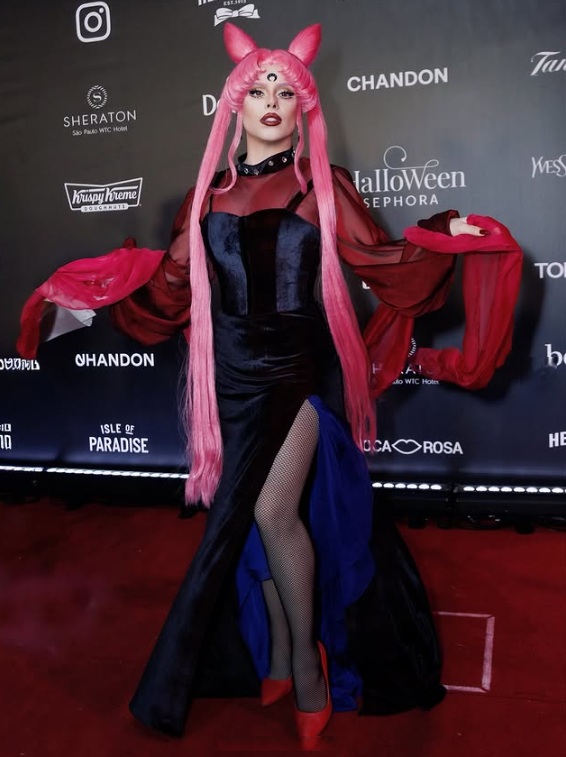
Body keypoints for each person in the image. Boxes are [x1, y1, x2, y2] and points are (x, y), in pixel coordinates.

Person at [17, 23, 522, 748]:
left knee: (273, 509)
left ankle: (309, 670)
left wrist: (447, 231)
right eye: (259, 89)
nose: (274, 100)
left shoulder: (322, 187)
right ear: (236, 105)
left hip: (297, 372)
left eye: (286, 89)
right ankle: (282, 651)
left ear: (303, 104)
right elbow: (170, 285)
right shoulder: (206, 197)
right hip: (230, 378)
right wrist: (94, 291)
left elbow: (384, 261)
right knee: (253, 520)